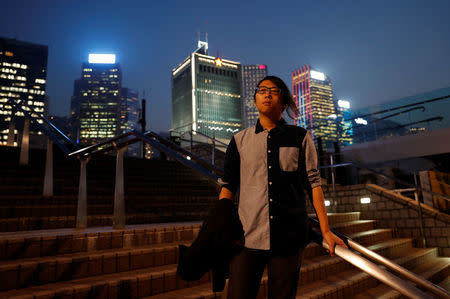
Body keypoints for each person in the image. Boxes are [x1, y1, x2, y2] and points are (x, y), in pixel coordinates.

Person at [218, 75, 347, 299]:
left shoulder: (300, 137)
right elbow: (228, 187)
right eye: (262, 90)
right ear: (255, 100)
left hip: (288, 238)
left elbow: (314, 185)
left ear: (284, 103)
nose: (267, 94)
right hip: (246, 238)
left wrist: (325, 230)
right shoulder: (239, 140)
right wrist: (222, 224)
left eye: (274, 90)